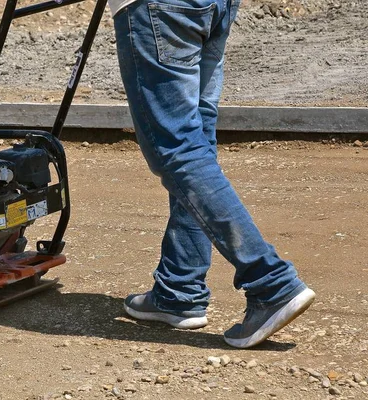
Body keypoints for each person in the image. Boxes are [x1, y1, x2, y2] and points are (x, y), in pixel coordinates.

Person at [108, 0, 315, 348]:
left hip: (159, 9)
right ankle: (179, 290)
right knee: (196, 140)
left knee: (176, 147)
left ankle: (271, 282)